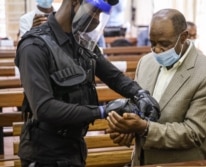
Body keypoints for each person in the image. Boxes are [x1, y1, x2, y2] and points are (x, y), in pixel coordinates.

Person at [15, 0, 160, 166]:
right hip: (44, 153)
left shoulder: (81, 41)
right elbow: (44, 108)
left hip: (74, 147)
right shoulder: (34, 46)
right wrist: (102, 110)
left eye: (100, 14)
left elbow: (113, 76)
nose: (97, 20)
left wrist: (140, 94)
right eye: (95, 12)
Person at [106, 8, 206, 166]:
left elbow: (194, 133)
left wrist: (145, 128)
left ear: (183, 37)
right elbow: (138, 109)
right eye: (152, 43)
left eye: (164, 44)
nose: (156, 50)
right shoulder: (146, 62)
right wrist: (127, 128)